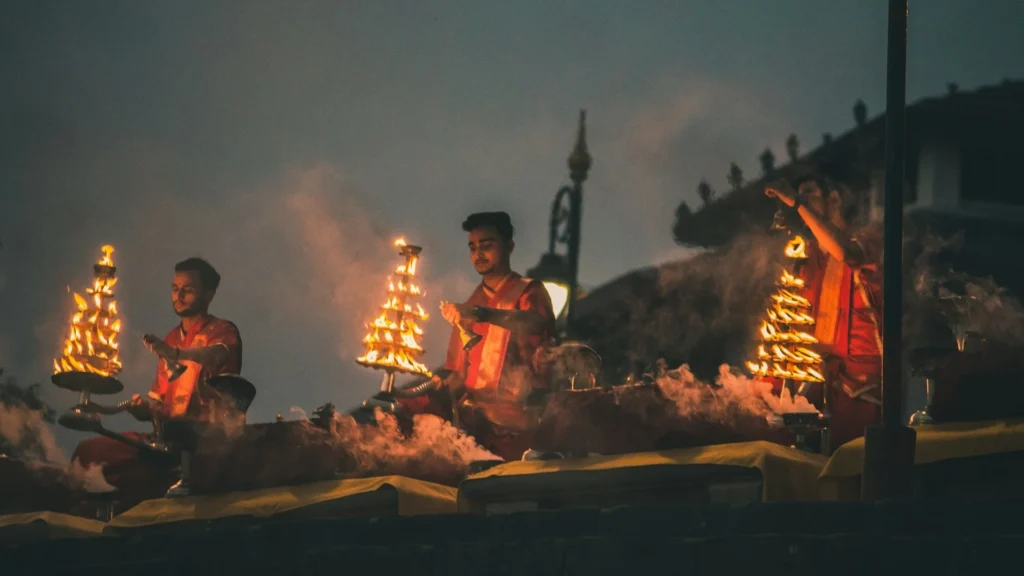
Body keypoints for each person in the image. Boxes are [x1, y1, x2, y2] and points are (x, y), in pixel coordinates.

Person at [71, 257, 242, 505]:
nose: (179, 296)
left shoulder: (222, 330)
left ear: (209, 295)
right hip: (164, 440)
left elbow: (217, 354)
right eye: (175, 289)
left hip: (204, 440)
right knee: (88, 454)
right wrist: (143, 408)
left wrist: (176, 355)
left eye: (188, 290)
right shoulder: (170, 338)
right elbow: (158, 404)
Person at [401, 212, 556, 461]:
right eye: (472, 248)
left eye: (487, 246)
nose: (478, 254)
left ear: (509, 247)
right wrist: (429, 390)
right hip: (475, 429)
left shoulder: (529, 291)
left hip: (520, 428)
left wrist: (482, 314)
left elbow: (535, 324)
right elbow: (459, 375)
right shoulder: (470, 305)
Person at [765, 173, 883, 450]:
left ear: (834, 199)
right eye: (801, 196)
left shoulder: (867, 240)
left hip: (859, 386)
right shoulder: (809, 254)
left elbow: (846, 253)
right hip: (815, 382)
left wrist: (798, 203)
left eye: (810, 194)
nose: (800, 204)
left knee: (853, 462)